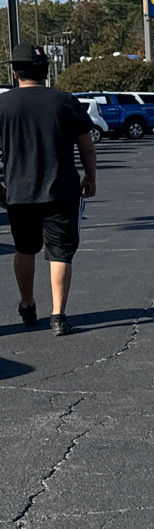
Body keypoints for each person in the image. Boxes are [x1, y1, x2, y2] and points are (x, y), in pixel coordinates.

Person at [0, 44, 96, 335]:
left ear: (15, 72)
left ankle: (27, 304)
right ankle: (58, 316)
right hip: (61, 190)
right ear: (45, 71)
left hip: (18, 192)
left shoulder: (3, 105)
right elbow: (86, 145)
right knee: (60, 253)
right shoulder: (65, 101)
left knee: (24, 249)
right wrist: (90, 177)